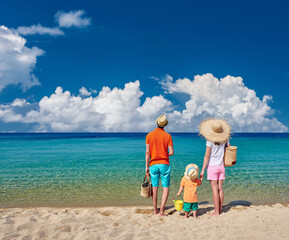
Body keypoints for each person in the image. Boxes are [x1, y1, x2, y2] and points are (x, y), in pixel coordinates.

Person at [199, 118, 231, 216]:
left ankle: (216, 212)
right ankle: (220, 210)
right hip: (221, 166)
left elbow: (207, 156)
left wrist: (203, 170)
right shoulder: (225, 139)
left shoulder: (210, 141)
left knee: (214, 189)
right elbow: (229, 149)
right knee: (220, 188)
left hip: (212, 167)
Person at [145, 115, 174, 217]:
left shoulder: (149, 135)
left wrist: (146, 166)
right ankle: (161, 211)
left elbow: (148, 152)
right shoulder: (168, 136)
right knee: (165, 188)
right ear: (165, 125)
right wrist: (163, 154)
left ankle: (155, 211)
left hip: (153, 164)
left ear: (156, 123)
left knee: (154, 188)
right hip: (164, 164)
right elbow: (171, 152)